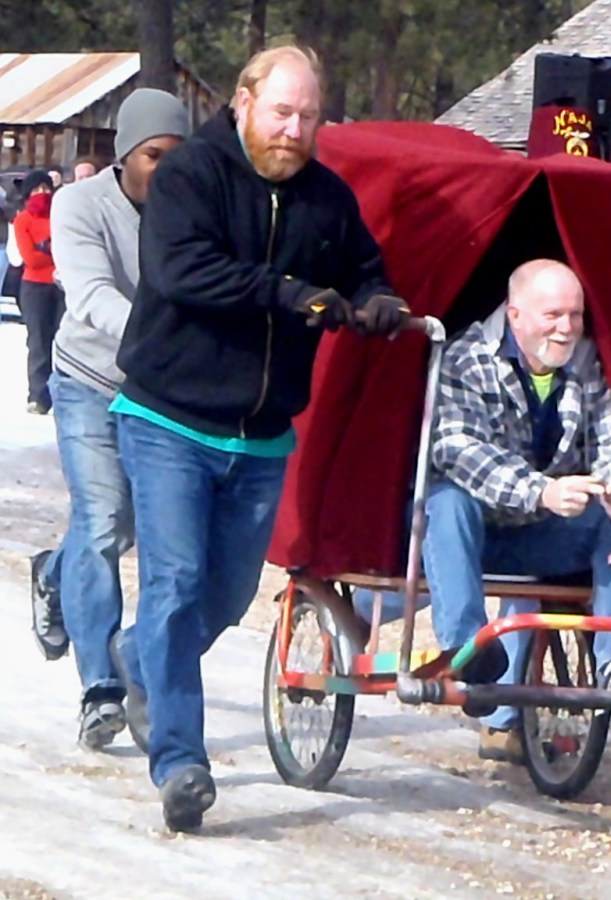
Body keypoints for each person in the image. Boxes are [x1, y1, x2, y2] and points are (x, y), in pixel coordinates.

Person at [108, 45, 410, 832]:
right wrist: (291, 296)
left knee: (227, 595)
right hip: (168, 416)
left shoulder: (328, 200)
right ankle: (181, 763)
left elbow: (364, 269)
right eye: (281, 112)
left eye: (309, 116)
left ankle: (140, 661)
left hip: (262, 434)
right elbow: (181, 274)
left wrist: (375, 301)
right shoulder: (189, 176)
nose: (295, 129)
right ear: (243, 102)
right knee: (174, 583)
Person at [423, 258, 611, 765]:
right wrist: (541, 492)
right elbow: (456, 448)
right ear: (515, 315)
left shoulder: (588, 361)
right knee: (446, 499)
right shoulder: (467, 357)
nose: (567, 327)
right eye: (553, 314)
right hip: (477, 529)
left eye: (575, 315)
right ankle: (469, 649)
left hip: (545, 531)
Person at [27, 90, 191, 749]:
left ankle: (55, 575)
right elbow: (91, 294)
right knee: (102, 521)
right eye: (154, 155)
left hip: (162, 395)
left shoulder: (189, 210)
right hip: (90, 379)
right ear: (126, 153)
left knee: (146, 534)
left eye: (177, 159)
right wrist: (164, 344)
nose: (165, 170)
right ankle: (100, 688)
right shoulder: (78, 204)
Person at [12, 169, 66, 414]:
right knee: (39, 342)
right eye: (37, 190)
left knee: (64, 340)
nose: (43, 194)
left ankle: (64, 394)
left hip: (62, 284)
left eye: (46, 189)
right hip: (35, 287)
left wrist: (49, 251)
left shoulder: (60, 216)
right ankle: (38, 395)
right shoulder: (23, 220)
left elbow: (69, 248)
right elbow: (30, 258)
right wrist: (54, 253)